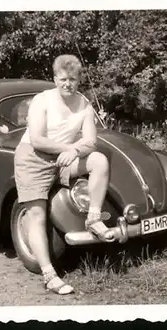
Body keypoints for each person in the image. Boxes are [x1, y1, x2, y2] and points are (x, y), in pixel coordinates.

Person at [13, 54, 115, 295]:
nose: (67, 84)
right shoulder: (42, 100)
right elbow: (37, 140)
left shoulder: (84, 105)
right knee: (36, 215)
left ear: (79, 80)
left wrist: (75, 150)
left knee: (99, 160)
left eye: (72, 79)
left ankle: (93, 218)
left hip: (63, 159)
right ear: (54, 79)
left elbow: (91, 141)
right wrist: (70, 149)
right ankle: (49, 274)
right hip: (33, 159)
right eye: (62, 79)